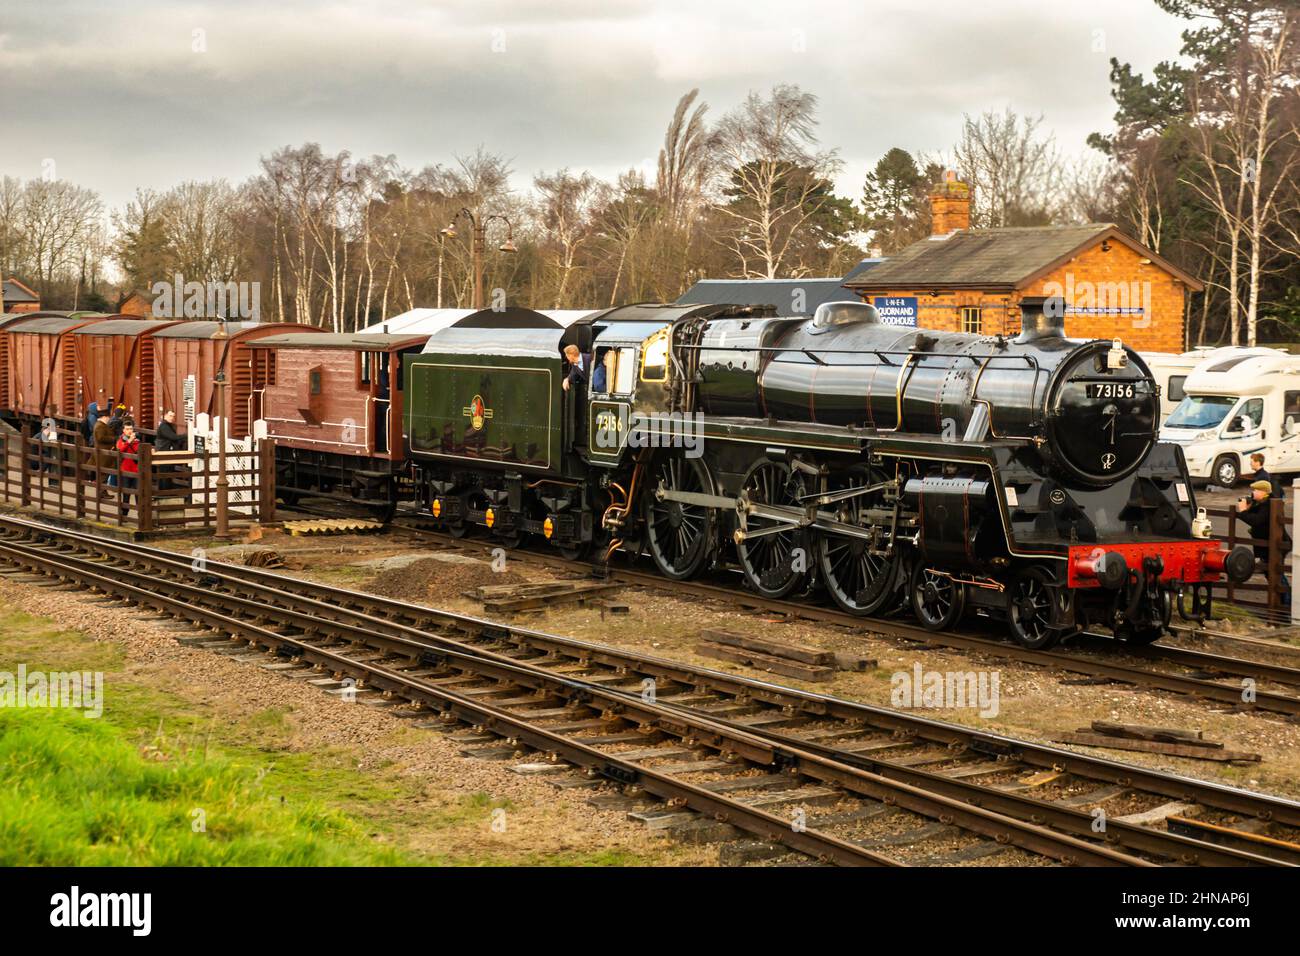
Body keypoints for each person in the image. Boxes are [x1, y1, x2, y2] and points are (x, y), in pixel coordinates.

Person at [1237, 479, 1291, 605]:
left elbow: (1256, 520)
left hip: (1276, 546)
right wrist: (1247, 509)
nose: (1253, 493)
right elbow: (1253, 518)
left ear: (1263, 492)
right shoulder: (1261, 503)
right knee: (1271, 574)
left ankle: (1287, 604)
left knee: (1277, 575)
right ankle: (1282, 603)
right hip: (1269, 546)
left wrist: (1244, 511)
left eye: (1255, 490)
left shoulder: (1268, 505)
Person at [115, 420, 140, 518]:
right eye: (127, 429)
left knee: (138, 494)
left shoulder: (137, 441)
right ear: (123, 430)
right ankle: (124, 515)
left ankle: (140, 515)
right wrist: (128, 442)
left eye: (131, 429)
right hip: (125, 471)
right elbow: (120, 450)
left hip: (136, 471)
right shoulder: (120, 440)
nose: (129, 431)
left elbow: (139, 451)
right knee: (126, 495)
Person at [93, 410, 118, 495]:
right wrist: (113, 439)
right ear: (104, 417)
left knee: (104, 473)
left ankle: (103, 492)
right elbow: (100, 438)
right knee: (103, 473)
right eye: (108, 417)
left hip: (104, 452)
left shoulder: (101, 425)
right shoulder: (100, 426)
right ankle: (101, 492)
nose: (109, 419)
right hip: (103, 453)